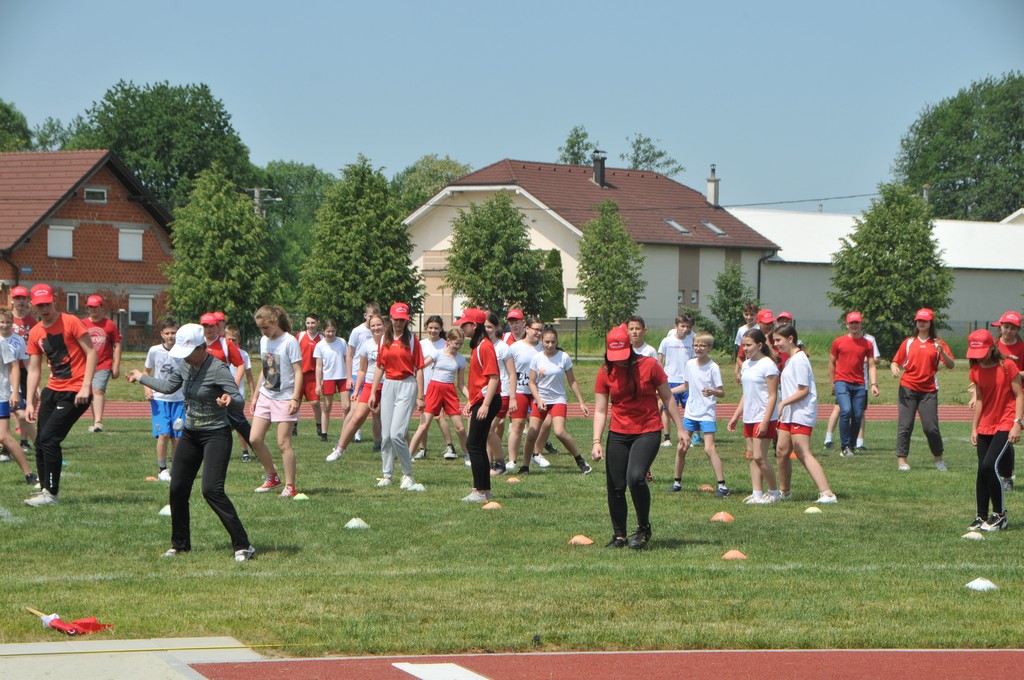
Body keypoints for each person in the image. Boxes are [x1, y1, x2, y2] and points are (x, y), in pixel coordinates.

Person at [127, 324, 255, 561]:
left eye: (188, 352)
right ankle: (180, 545)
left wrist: (228, 399)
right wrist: (141, 377)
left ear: (201, 348)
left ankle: (243, 545)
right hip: (190, 433)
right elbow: (168, 386)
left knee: (211, 490)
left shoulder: (217, 368)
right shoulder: (185, 365)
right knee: (177, 488)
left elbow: (237, 398)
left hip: (216, 434)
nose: (184, 357)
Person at [593, 326, 684, 549]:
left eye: (623, 356)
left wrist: (680, 429)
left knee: (635, 477)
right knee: (615, 485)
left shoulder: (650, 365)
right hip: (618, 432)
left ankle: (643, 529)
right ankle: (619, 535)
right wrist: (596, 441)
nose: (620, 361)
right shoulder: (606, 371)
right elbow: (600, 409)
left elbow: (668, 398)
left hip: (647, 430)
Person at [24, 284, 97, 507]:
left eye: (47, 303)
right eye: (39, 305)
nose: (44, 308)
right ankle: (45, 489)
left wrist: (86, 386)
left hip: (75, 391)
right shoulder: (36, 332)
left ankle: (52, 493)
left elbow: (91, 352)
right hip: (53, 389)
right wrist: (30, 402)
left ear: (54, 301)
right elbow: (34, 369)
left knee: (49, 439)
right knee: (40, 441)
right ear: (33, 306)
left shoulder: (71, 321)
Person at [201, 314, 279, 488]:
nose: (209, 329)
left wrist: (232, 386)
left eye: (213, 325)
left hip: (224, 396)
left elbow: (241, 364)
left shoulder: (225, 344)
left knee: (243, 428)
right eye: (205, 325)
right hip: (206, 397)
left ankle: (268, 465)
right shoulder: (198, 343)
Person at [966, 329, 1023, 532]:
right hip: (985, 424)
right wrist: (974, 427)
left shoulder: (1007, 365)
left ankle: (1000, 515)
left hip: (1006, 422)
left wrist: (1018, 422)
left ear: (992, 347)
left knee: (990, 465)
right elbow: (980, 399)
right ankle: (981, 516)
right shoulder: (975, 368)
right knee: (982, 469)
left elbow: (1019, 394)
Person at [772, 324, 837, 503]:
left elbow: (804, 390)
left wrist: (783, 402)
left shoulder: (800, 359)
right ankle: (784, 493)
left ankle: (827, 493)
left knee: (802, 451)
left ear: (790, 339)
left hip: (801, 412)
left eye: (779, 340)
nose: (776, 344)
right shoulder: (790, 359)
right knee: (781, 450)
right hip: (790, 413)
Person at [890, 308, 955, 472]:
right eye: (919, 320)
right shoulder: (909, 342)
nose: (921, 323)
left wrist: (942, 353)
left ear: (930, 323)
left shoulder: (937, 343)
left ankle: (939, 460)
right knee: (905, 426)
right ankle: (902, 461)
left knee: (930, 427)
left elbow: (951, 364)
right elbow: (895, 361)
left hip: (928, 391)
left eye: (925, 321)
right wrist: (894, 368)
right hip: (908, 388)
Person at [522, 325, 591, 475]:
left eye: (553, 342)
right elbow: (532, 383)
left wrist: (581, 402)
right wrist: (538, 399)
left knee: (559, 432)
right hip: (541, 401)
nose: (550, 345)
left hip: (558, 399)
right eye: (547, 342)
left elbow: (572, 381)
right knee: (532, 434)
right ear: (541, 341)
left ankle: (581, 461)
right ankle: (525, 466)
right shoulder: (537, 358)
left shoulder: (563, 357)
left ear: (556, 341)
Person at [369, 303, 424, 490]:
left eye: (402, 319)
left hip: (407, 384)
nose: (399, 322)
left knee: (397, 434)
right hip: (389, 385)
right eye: (396, 319)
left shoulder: (412, 340)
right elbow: (380, 366)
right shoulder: (384, 338)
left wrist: (421, 396)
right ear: (390, 319)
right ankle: (387, 474)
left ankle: (408, 474)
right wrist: (372, 392)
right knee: (385, 436)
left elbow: (420, 368)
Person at [250, 305, 303, 498]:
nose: (264, 332)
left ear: (275, 322)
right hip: (266, 395)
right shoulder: (264, 341)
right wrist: (255, 396)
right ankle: (272, 476)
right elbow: (265, 370)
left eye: (266, 327)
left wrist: (296, 398)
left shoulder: (290, 341)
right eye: (260, 329)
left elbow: (299, 371)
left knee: (283, 442)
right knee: (254, 439)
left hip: (285, 397)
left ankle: (290, 486)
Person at [668, 332, 728, 497]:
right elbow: (686, 386)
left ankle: (722, 486)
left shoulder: (713, 367)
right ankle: (677, 483)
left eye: (702, 345)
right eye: (696, 345)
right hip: (691, 413)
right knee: (681, 447)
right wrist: (666, 392)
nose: (698, 348)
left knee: (709, 449)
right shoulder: (690, 364)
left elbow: (721, 392)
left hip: (707, 413)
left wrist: (712, 391)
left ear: (709, 348)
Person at [727, 328, 781, 505]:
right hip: (749, 417)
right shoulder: (747, 365)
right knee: (751, 455)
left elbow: (773, 395)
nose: (745, 349)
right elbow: (747, 394)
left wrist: (765, 421)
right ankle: (757, 493)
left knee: (760, 456)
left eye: (749, 345)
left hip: (763, 417)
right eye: (743, 345)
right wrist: (736, 416)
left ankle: (774, 492)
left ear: (759, 345)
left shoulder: (768, 365)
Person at [456, 308, 501, 501]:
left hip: (488, 401)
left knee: (473, 444)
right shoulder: (478, 346)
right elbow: (478, 381)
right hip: (481, 400)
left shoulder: (485, 347)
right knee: (478, 444)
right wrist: (472, 401)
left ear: (474, 326)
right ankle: (484, 490)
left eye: (465, 324)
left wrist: (484, 405)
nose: (462, 327)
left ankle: (479, 491)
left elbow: (493, 378)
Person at [327, 314, 384, 462]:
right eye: (373, 325)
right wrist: (357, 389)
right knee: (357, 417)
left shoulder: (389, 343)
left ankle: (408, 452)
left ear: (384, 325)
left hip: (387, 384)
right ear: (369, 327)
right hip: (369, 384)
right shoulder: (367, 344)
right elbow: (362, 370)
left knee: (393, 421)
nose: (376, 328)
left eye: (379, 325)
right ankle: (339, 449)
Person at [409, 327, 468, 459]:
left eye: (460, 344)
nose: (458, 346)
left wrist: (471, 398)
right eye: (456, 343)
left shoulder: (460, 359)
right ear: (448, 341)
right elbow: (420, 367)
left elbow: (461, 384)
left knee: (460, 428)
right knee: (423, 425)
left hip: (449, 391)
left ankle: (468, 455)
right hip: (434, 389)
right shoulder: (437, 353)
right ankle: (409, 455)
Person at [829, 312, 879, 458]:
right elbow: (832, 363)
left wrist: (874, 384)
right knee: (846, 411)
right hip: (842, 382)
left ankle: (851, 446)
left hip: (859, 384)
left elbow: (871, 365)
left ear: (861, 324)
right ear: (847, 325)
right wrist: (833, 382)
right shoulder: (838, 342)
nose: (854, 325)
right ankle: (844, 446)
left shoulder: (867, 343)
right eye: (851, 323)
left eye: (857, 323)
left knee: (857, 415)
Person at [143, 319, 185, 481]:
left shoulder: (183, 351)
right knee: (164, 434)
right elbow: (146, 371)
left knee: (177, 436)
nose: (170, 336)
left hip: (179, 399)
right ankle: (162, 469)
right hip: (160, 399)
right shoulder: (154, 351)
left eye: (173, 333)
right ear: (161, 334)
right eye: (167, 333)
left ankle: (176, 469)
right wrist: (147, 388)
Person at [0, 308, 37, 487]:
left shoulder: (3, 343)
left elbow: (14, 366)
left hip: (1, 394)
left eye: (7, 321)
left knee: (5, 436)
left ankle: (29, 473)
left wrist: (14, 392)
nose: (4, 325)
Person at [988, 311, 1023, 489]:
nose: (1008, 331)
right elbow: (984, 369)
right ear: (1000, 327)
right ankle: (1002, 475)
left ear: (1018, 329)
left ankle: (1007, 476)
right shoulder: (993, 345)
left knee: (1008, 435)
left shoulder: (1021, 349)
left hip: (1016, 395)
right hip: (996, 395)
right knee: (998, 434)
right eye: (1005, 327)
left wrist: (1012, 372)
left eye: (1012, 328)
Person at [415, 315, 456, 460]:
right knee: (424, 417)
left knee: (439, 417)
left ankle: (450, 446)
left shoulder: (445, 344)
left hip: (438, 386)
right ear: (426, 328)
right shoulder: (421, 344)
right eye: (431, 328)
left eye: (436, 328)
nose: (433, 331)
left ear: (441, 329)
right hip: (423, 385)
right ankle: (422, 448)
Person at [506, 318, 544, 470]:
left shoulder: (543, 348)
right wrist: (512, 397)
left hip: (537, 393)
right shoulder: (515, 348)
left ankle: (534, 457)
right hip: (520, 391)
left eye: (541, 330)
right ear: (527, 328)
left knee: (536, 428)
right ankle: (512, 460)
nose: (538, 333)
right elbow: (510, 374)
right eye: (536, 329)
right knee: (518, 425)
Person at [484, 313, 518, 474]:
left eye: (490, 327)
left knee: (489, 430)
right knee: (485, 431)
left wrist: (512, 398)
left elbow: (512, 374)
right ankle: (488, 463)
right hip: (487, 394)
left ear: (497, 328)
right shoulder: (482, 346)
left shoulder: (503, 347)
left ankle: (500, 464)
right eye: (484, 327)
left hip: (502, 393)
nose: (487, 330)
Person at [344, 304, 382, 447]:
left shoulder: (382, 334)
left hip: (373, 375)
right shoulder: (357, 331)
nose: (373, 321)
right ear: (365, 315)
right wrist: (349, 377)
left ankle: (377, 442)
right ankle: (342, 440)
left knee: (376, 411)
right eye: (370, 316)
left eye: (376, 317)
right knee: (354, 410)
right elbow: (349, 354)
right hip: (357, 373)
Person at [83, 295, 121, 433]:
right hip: (85, 365)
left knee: (98, 390)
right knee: (88, 393)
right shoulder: (82, 324)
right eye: (90, 307)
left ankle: (98, 422)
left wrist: (116, 366)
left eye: (95, 307)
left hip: (103, 364)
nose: (92, 309)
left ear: (101, 307)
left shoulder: (109, 325)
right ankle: (93, 421)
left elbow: (117, 345)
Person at [658, 314, 694, 448]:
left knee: (689, 410)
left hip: (686, 381)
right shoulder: (666, 341)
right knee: (666, 410)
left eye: (688, 327)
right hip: (670, 380)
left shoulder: (692, 341)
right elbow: (660, 361)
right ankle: (667, 438)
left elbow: (695, 362)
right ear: (676, 326)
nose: (685, 329)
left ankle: (686, 437)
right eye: (682, 326)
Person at [10, 285, 37, 453]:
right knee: (14, 403)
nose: (20, 301)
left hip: (27, 367)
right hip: (9, 368)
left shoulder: (31, 322)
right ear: (12, 300)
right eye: (17, 298)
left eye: (23, 298)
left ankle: (24, 440)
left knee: (30, 401)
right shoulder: (6, 320)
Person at [313, 319, 349, 447]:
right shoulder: (320, 345)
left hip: (343, 377)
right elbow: (318, 366)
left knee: (346, 406)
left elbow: (347, 359)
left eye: (333, 331)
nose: (330, 334)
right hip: (328, 377)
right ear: (323, 331)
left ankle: (345, 432)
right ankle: (324, 433)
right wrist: (318, 383)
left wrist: (349, 377)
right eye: (328, 331)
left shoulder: (342, 342)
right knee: (327, 407)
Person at [223, 324, 256, 462]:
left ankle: (246, 452)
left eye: (234, 340)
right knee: (224, 426)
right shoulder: (221, 353)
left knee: (239, 426)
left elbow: (249, 376)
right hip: (222, 396)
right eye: (228, 340)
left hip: (237, 396)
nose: (231, 343)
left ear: (239, 340)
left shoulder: (243, 354)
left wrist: (254, 395)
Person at [297, 314, 324, 439]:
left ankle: (319, 427)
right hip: (299, 373)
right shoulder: (300, 336)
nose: (310, 325)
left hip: (314, 375)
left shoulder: (322, 338)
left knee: (315, 403)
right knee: (296, 401)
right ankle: (293, 427)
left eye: (313, 323)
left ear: (317, 323)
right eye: (308, 323)